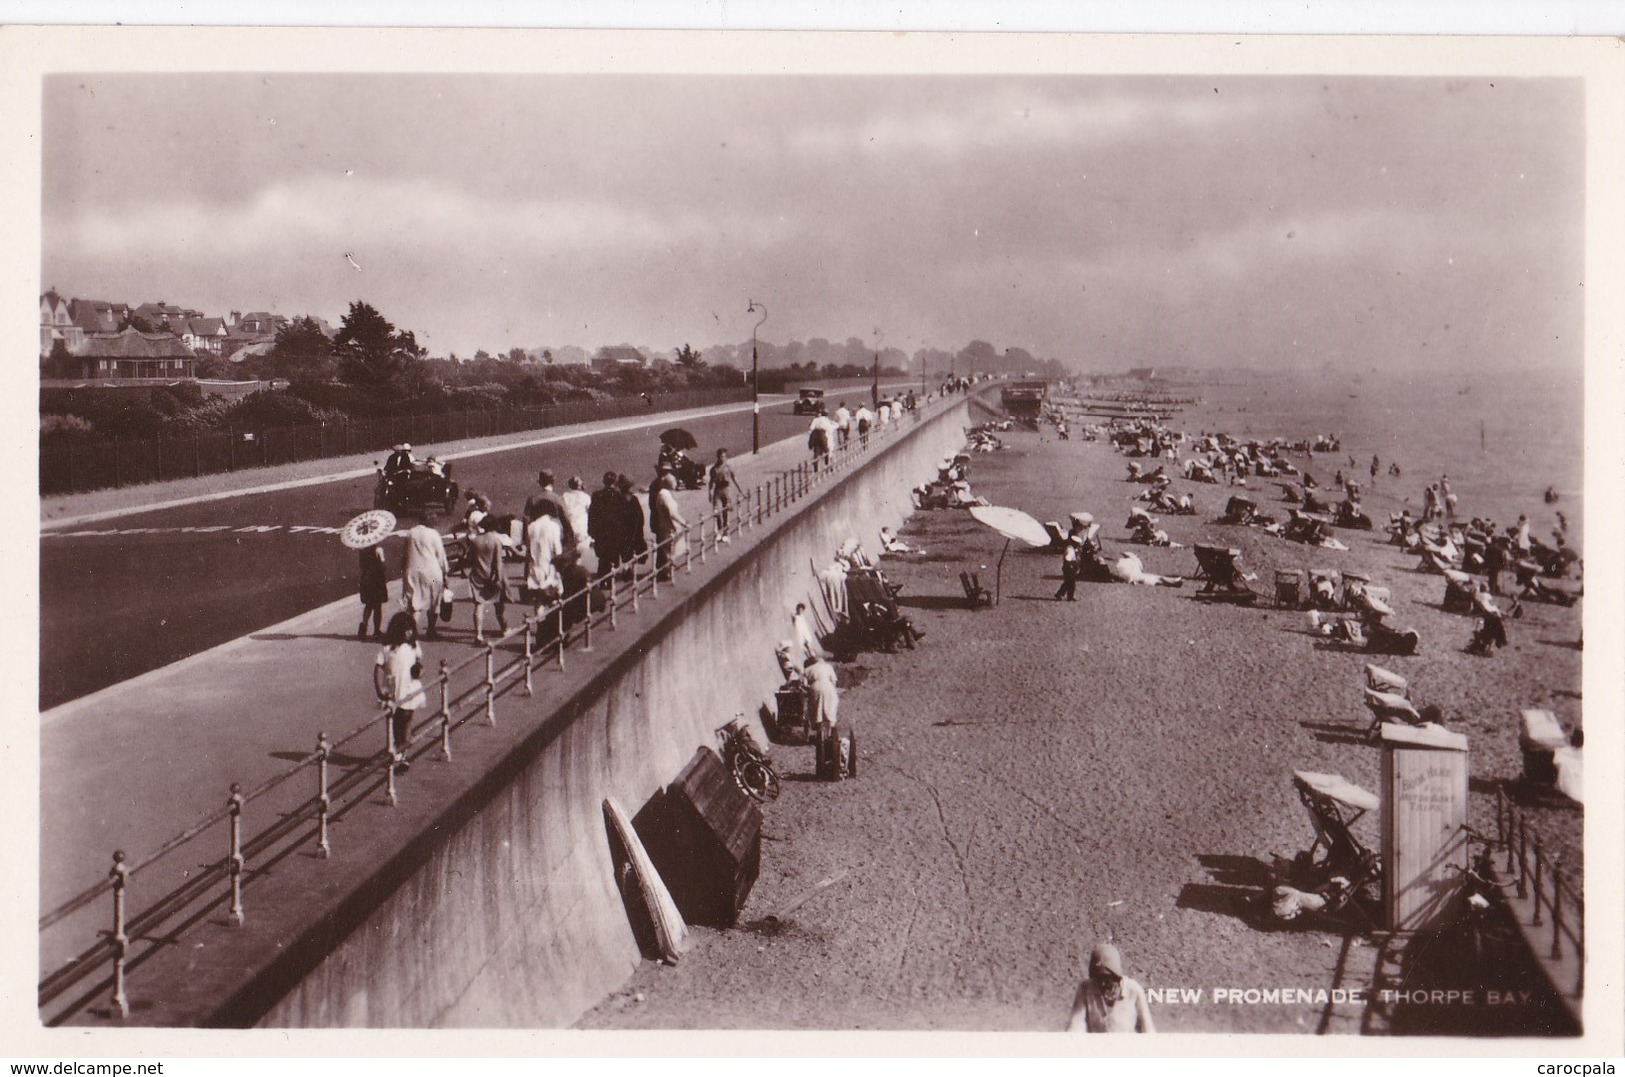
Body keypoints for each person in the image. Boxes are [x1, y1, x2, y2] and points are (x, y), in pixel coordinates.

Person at [374, 612, 426, 773]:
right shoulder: (387, 649)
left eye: (411, 630)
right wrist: (379, 691)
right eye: (406, 630)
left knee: (406, 720)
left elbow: (419, 664)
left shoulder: (413, 646)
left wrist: (419, 671)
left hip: (409, 688)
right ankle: (398, 747)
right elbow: (377, 670)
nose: (410, 633)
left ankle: (403, 755)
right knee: (395, 723)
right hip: (393, 690)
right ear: (398, 631)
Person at [1067, 943, 1155, 1033]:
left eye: (1107, 978)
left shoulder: (1133, 990)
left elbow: (1148, 1031)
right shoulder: (1085, 989)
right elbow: (1076, 1024)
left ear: (1117, 977)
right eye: (1098, 979)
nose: (1103, 984)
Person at [401, 522, 449, 640]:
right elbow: (441, 555)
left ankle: (412, 632)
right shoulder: (433, 534)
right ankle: (431, 629)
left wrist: (403, 570)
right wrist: (445, 571)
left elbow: (405, 554)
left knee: (415, 604)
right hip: (432, 571)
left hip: (413, 571)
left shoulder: (411, 533)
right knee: (434, 601)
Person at [523, 503, 565, 636]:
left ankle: (540, 627)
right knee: (555, 597)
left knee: (539, 599)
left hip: (535, 566)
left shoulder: (531, 526)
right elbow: (557, 549)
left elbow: (529, 549)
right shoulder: (553, 526)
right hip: (550, 566)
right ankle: (553, 627)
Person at [467, 514, 510, 642]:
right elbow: (497, 562)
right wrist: (499, 578)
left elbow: (470, 559)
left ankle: (478, 634)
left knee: (479, 605)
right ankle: (505, 628)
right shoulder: (496, 540)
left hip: (478, 575)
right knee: (499, 605)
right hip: (492, 576)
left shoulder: (475, 540)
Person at [648, 471, 685, 582]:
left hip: (669, 525)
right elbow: (672, 512)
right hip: (666, 526)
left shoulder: (666, 493)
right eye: (674, 481)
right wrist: (684, 522)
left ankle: (665, 571)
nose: (676, 483)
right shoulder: (664, 494)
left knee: (668, 549)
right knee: (666, 550)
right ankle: (665, 573)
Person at [588, 471, 623, 576]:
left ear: (604, 481)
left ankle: (603, 577)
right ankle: (611, 578)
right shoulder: (618, 495)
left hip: (601, 532)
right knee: (614, 556)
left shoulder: (596, 495)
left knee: (603, 557)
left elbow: (592, 515)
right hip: (614, 532)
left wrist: (591, 531)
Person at [617, 473, 649, 578]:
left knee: (625, 552)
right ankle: (631, 568)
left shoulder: (617, 499)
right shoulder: (634, 499)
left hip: (622, 530)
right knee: (634, 549)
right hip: (634, 529)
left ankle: (627, 569)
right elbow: (640, 516)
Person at [357, 543, 388, 640]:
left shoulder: (362, 550)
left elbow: (361, 566)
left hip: (366, 580)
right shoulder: (378, 550)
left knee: (368, 605)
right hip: (377, 580)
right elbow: (383, 565)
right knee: (378, 606)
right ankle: (376, 630)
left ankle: (363, 626)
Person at [709, 448, 738, 542]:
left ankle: (725, 532)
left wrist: (740, 491)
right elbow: (712, 481)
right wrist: (710, 492)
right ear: (717, 457)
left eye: (724, 456)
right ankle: (719, 531)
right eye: (721, 456)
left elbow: (734, 479)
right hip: (717, 490)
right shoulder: (714, 469)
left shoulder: (729, 467)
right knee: (716, 511)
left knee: (725, 511)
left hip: (726, 490)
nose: (722, 458)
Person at [562, 476, 593, 564]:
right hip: (581, 530)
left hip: (569, 528)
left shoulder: (564, 496)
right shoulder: (586, 497)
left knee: (569, 552)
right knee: (579, 555)